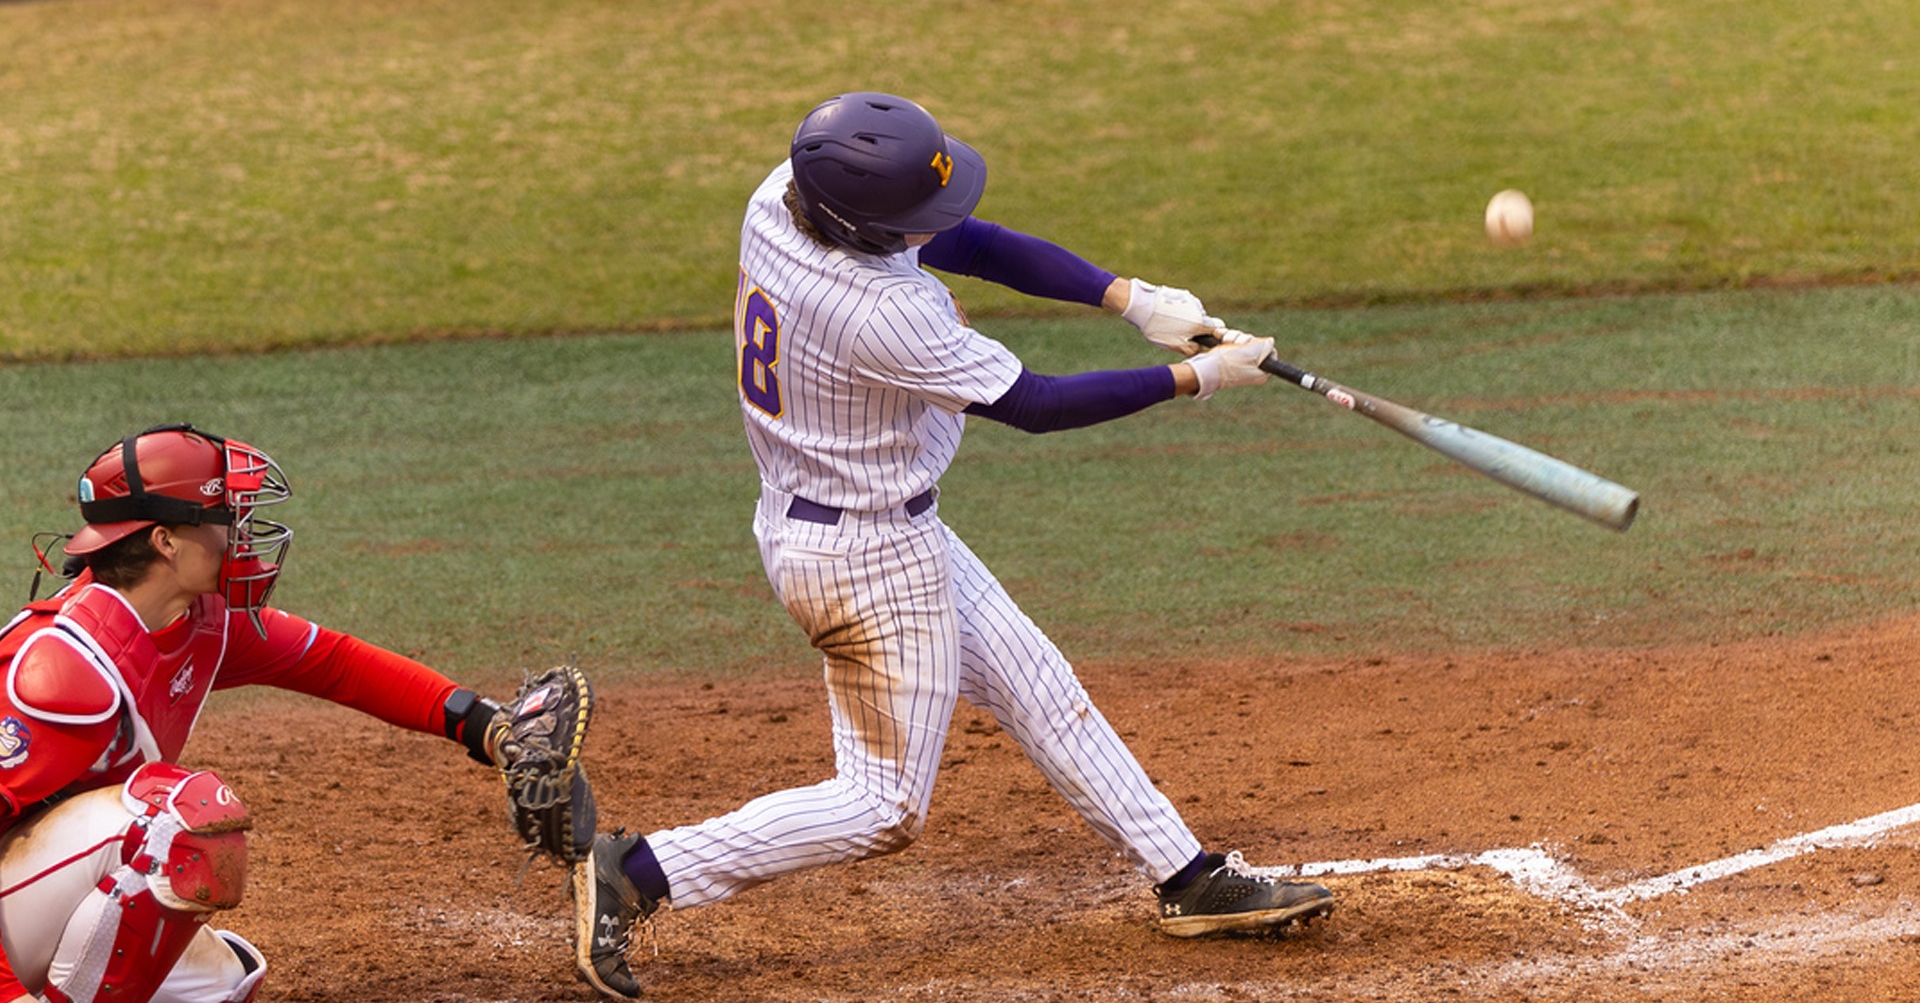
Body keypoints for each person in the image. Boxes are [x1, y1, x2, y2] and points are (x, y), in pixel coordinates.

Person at [571, 92, 1333, 999]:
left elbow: (961, 237)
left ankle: (1188, 877)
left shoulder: (783, 197)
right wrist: (1195, 377)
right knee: (883, 807)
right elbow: (1038, 405)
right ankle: (641, 872)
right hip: (865, 564)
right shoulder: (879, 312)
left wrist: (1131, 300)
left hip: (857, 524)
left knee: (1038, 685)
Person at [0, 424, 545, 1003]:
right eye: (221, 516)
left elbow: (335, 663)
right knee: (171, 819)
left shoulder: (201, 623)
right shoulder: (63, 669)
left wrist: (484, 724)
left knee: (221, 986)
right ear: (165, 540)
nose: (238, 533)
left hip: (34, 892)